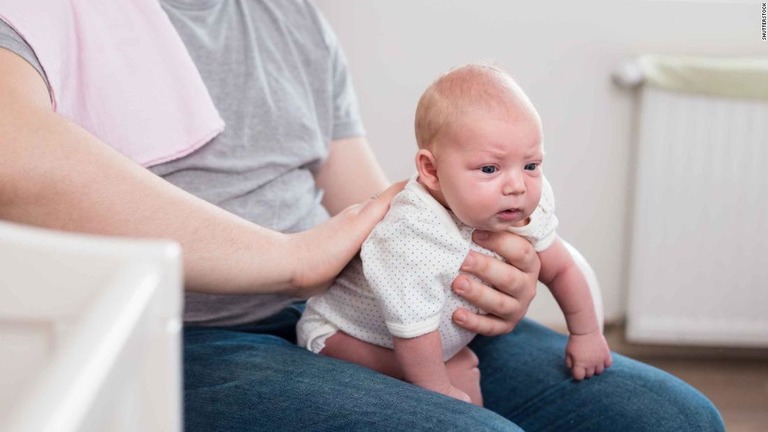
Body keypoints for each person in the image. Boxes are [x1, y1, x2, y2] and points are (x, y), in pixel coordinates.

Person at [0, 1, 724, 430]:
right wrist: (292, 259)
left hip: (339, 308)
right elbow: (13, 154)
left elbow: (369, 202)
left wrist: (483, 271)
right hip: (177, 335)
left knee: (671, 418)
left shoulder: (289, 15)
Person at [297, 63, 612, 405]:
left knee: (461, 369)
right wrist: (438, 386)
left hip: (440, 337)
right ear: (431, 171)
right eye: (490, 169)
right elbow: (412, 329)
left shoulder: (522, 206)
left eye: (531, 165)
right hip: (344, 335)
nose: (517, 186)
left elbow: (562, 268)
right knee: (456, 376)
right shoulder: (412, 234)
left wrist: (586, 333)